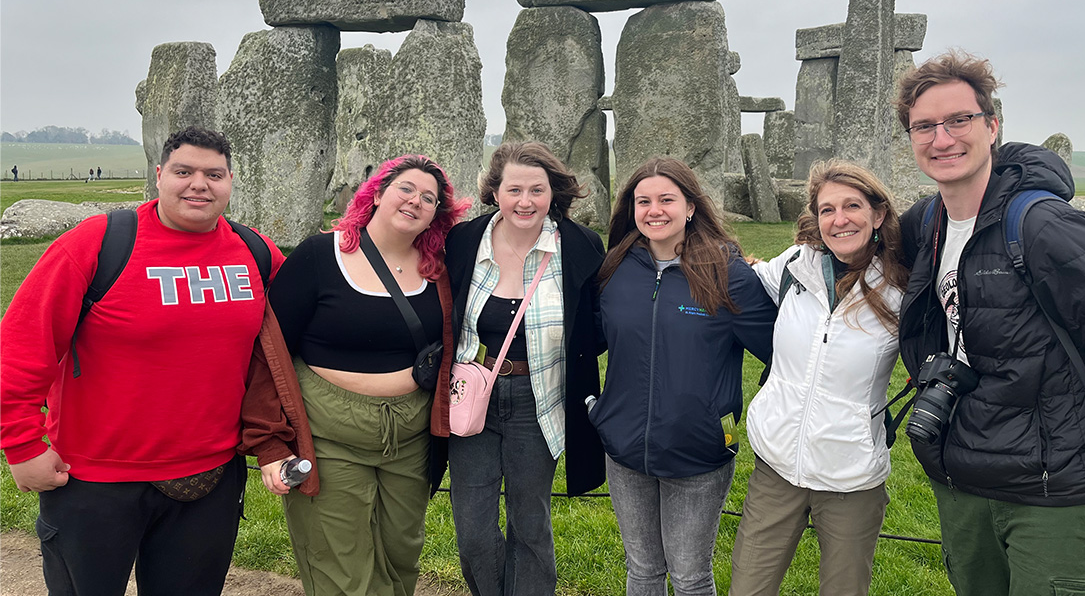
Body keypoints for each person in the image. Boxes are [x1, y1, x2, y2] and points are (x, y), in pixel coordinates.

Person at [895, 51, 1085, 595]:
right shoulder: (927, 222)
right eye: (924, 126)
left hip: (1052, 491)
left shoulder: (1047, 229)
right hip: (962, 478)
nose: (942, 139)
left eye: (959, 120)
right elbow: (859, 252)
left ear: (992, 126)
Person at [0, 126, 285, 595]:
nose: (199, 184)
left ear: (231, 181)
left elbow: (311, 314)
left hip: (208, 475)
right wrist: (22, 444)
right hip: (93, 477)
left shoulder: (253, 251)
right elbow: (22, 343)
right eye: (184, 171)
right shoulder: (97, 244)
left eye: (214, 174)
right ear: (159, 175)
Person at [240, 155, 468, 596]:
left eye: (429, 198)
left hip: (409, 436)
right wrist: (269, 441)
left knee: (402, 553)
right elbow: (269, 351)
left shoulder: (438, 270)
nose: (415, 201)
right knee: (342, 565)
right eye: (406, 189)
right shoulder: (319, 256)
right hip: (329, 434)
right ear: (378, 193)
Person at [592, 157, 776, 596]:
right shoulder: (615, 269)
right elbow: (591, 340)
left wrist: (733, 413)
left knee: (691, 576)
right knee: (642, 570)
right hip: (623, 445)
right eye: (643, 201)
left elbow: (781, 351)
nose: (654, 210)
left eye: (666, 199)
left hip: (702, 447)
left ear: (691, 206)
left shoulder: (727, 274)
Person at [729, 160, 908, 596]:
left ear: (878, 215)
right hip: (777, 464)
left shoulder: (903, 287)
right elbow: (742, 280)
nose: (839, 219)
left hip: (852, 473)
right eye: (827, 209)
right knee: (747, 589)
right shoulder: (796, 266)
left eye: (852, 206)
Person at [445, 141, 607, 596]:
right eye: (514, 189)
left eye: (537, 190)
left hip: (541, 397)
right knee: (473, 529)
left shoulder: (578, 246)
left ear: (552, 193)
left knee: (530, 522)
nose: (526, 201)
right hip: (473, 396)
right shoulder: (465, 240)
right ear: (495, 192)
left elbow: (596, 324)